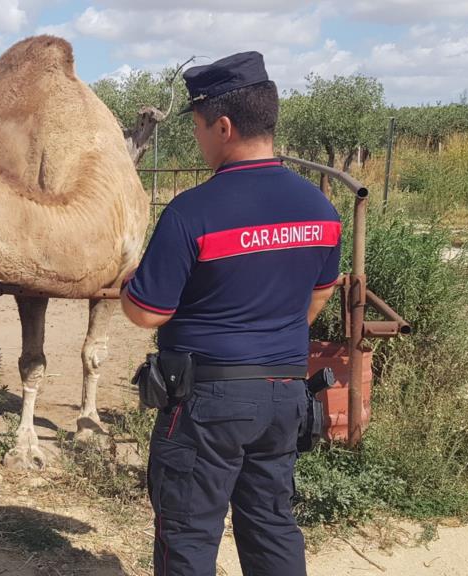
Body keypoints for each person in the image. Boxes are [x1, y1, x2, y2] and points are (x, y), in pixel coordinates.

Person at [120, 52, 341, 576]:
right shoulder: (319, 209)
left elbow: (146, 313)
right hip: (286, 394)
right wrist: (269, 339)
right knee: (271, 524)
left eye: (197, 128)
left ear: (223, 125)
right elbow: (319, 294)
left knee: (189, 533)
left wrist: (130, 286)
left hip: (206, 403)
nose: (198, 141)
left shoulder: (191, 212)